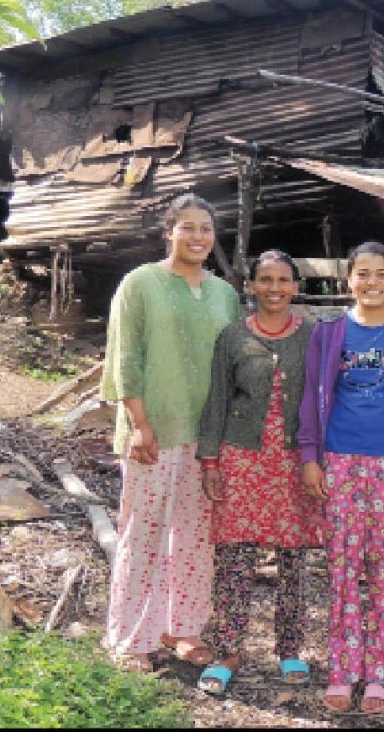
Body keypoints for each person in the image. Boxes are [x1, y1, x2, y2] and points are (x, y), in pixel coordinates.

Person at [101, 192, 241, 673]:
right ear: (168, 232)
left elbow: (231, 365)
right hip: (154, 431)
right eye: (188, 227)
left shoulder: (223, 294)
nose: (198, 237)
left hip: (205, 435)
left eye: (206, 228)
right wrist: (139, 424)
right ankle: (129, 638)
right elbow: (125, 356)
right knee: (143, 533)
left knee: (196, 538)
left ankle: (182, 628)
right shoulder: (140, 283)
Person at [298, 241, 384, 714]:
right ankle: (343, 669)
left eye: (381, 274)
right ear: (349, 280)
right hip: (338, 462)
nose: (372, 282)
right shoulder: (329, 331)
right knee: (343, 567)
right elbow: (312, 395)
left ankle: (381, 672)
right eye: (363, 273)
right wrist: (310, 455)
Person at [195, 250, 321, 694]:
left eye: (283, 280)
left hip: (294, 461)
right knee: (234, 558)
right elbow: (216, 400)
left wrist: (320, 458)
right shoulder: (233, 336)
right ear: (250, 286)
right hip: (242, 458)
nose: (274, 288)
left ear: (296, 287)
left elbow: (324, 397)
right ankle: (227, 650)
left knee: (293, 558)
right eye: (265, 280)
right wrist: (210, 460)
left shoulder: (313, 336)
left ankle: (290, 649)